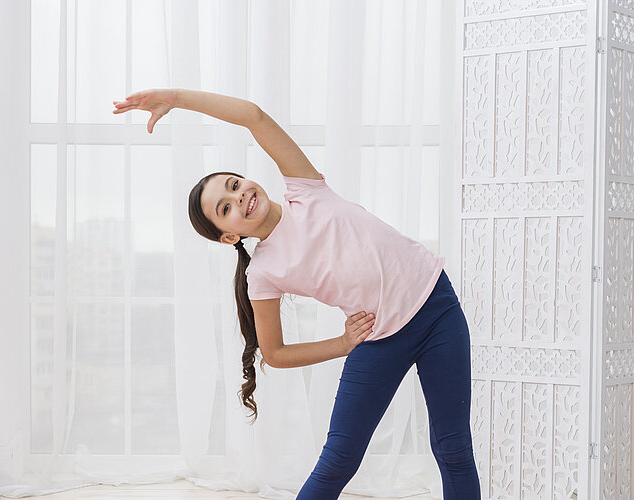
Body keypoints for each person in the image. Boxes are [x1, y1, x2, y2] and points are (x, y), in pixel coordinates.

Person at [112, 88, 480, 499]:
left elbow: (253, 115)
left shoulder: (305, 190)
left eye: (234, 185)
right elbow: (275, 353)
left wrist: (176, 99)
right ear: (229, 234)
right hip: (379, 339)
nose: (239, 197)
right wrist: (342, 343)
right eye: (225, 207)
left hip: (437, 309)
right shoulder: (263, 273)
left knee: (452, 447)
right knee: (339, 458)